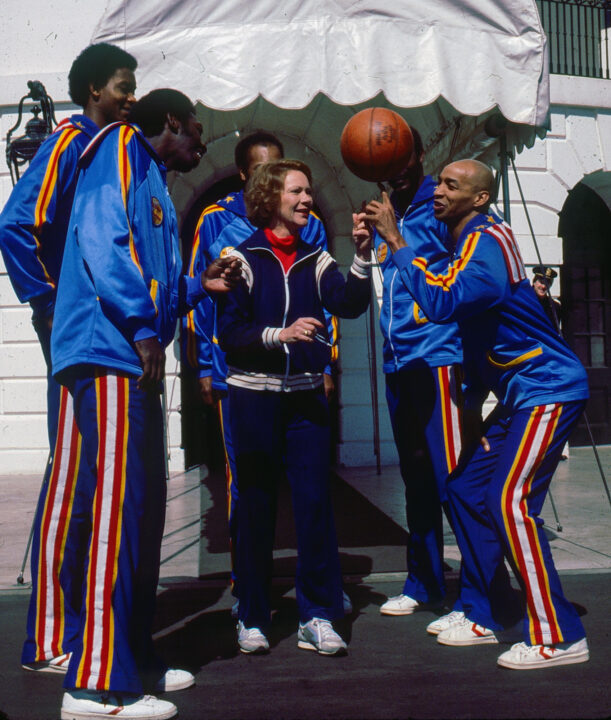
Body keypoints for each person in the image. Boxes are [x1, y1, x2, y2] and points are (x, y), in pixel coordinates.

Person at [51, 89, 241, 720]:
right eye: (196, 131)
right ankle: (97, 683)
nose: (200, 144)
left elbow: (151, 272)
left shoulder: (152, 177)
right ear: (170, 122)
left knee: (140, 512)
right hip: (108, 354)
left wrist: (197, 285)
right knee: (115, 511)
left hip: (130, 356)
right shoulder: (119, 149)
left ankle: (131, 654)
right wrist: (137, 323)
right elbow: (103, 243)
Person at [362, 159, 590, 670]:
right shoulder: (469, 242)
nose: (437, 192)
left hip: (547, 389)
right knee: (465, 488)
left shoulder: (487, 243)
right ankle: (492, 608)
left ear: (480, 198)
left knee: (510, 502)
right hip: (520, 395)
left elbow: (445, 304)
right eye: (438, 183)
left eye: (451, 185)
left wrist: (398, 243)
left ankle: (559, 635)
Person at [0, 42, 138, 675]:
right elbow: (15, 224)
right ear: (91, 92)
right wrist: (47, 303)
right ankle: (51, 638)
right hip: (73, 329)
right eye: (120, 86)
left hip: (88, 331)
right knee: (71, 476)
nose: (129, 96)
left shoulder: (108, 148)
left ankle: (72, 628)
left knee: (83, 477)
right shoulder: (71, 143)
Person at [183, 131, 343, 616]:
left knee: (310, 490)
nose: (275, 178)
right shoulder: (215, 221)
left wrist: (326, 355)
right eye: (262, 170)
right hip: (242, 377)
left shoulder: (309, 223)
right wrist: (206, 369)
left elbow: (322, 292)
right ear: (245, 177)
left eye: (282, 167)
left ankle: (317, 600)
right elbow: (206, 303)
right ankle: (246, 590)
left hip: (300, 378)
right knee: (246, 488)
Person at [216, 159, 371, 656]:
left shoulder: (317, 258)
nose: (307, 200)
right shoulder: (240, 258)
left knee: (314, 507)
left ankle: (318, 614)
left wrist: (364, 257)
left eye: (308, 192)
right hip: (252, 398)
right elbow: (230, 334)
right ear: (269, 199)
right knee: (256, 506)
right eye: (297, 193)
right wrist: (278, 335)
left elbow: (349, 303)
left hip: (305, 398)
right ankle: (253, 614)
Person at [363, 128, 463, 620]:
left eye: (404, 156)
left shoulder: (440, 207)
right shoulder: (384, 211)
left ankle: (478, 592)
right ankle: (424, 582)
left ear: (420, 154)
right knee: (416, 479)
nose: (397, 167)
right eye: (386, 160)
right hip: (399, 362)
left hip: (440, 359)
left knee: (451, 480)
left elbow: (459, 282)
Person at [532, 265, 561, 329]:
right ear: (534, 282)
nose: (544, 286)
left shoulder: (554, 308)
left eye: (548, 283)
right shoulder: (523, 301)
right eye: (541, 282)